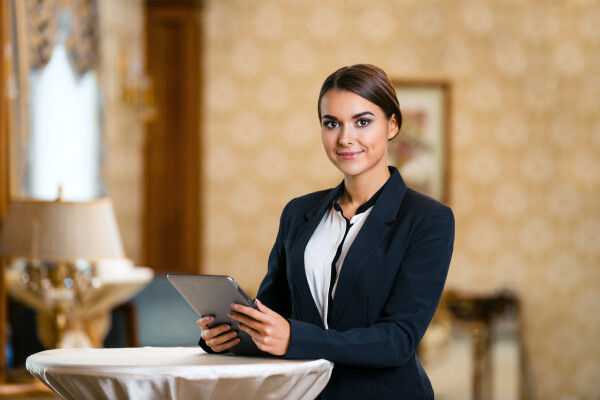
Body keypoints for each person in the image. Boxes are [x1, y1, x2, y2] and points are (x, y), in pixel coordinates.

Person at [197, 64, 455, 399]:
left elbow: (398, 341)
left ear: (392, 125)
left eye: (362, 121)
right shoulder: (298, 212)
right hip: (304, 393)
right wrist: (225, 336)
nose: (345, 138)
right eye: (331, 123)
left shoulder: (427, 219)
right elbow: (271, 311)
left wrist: (295, 338)